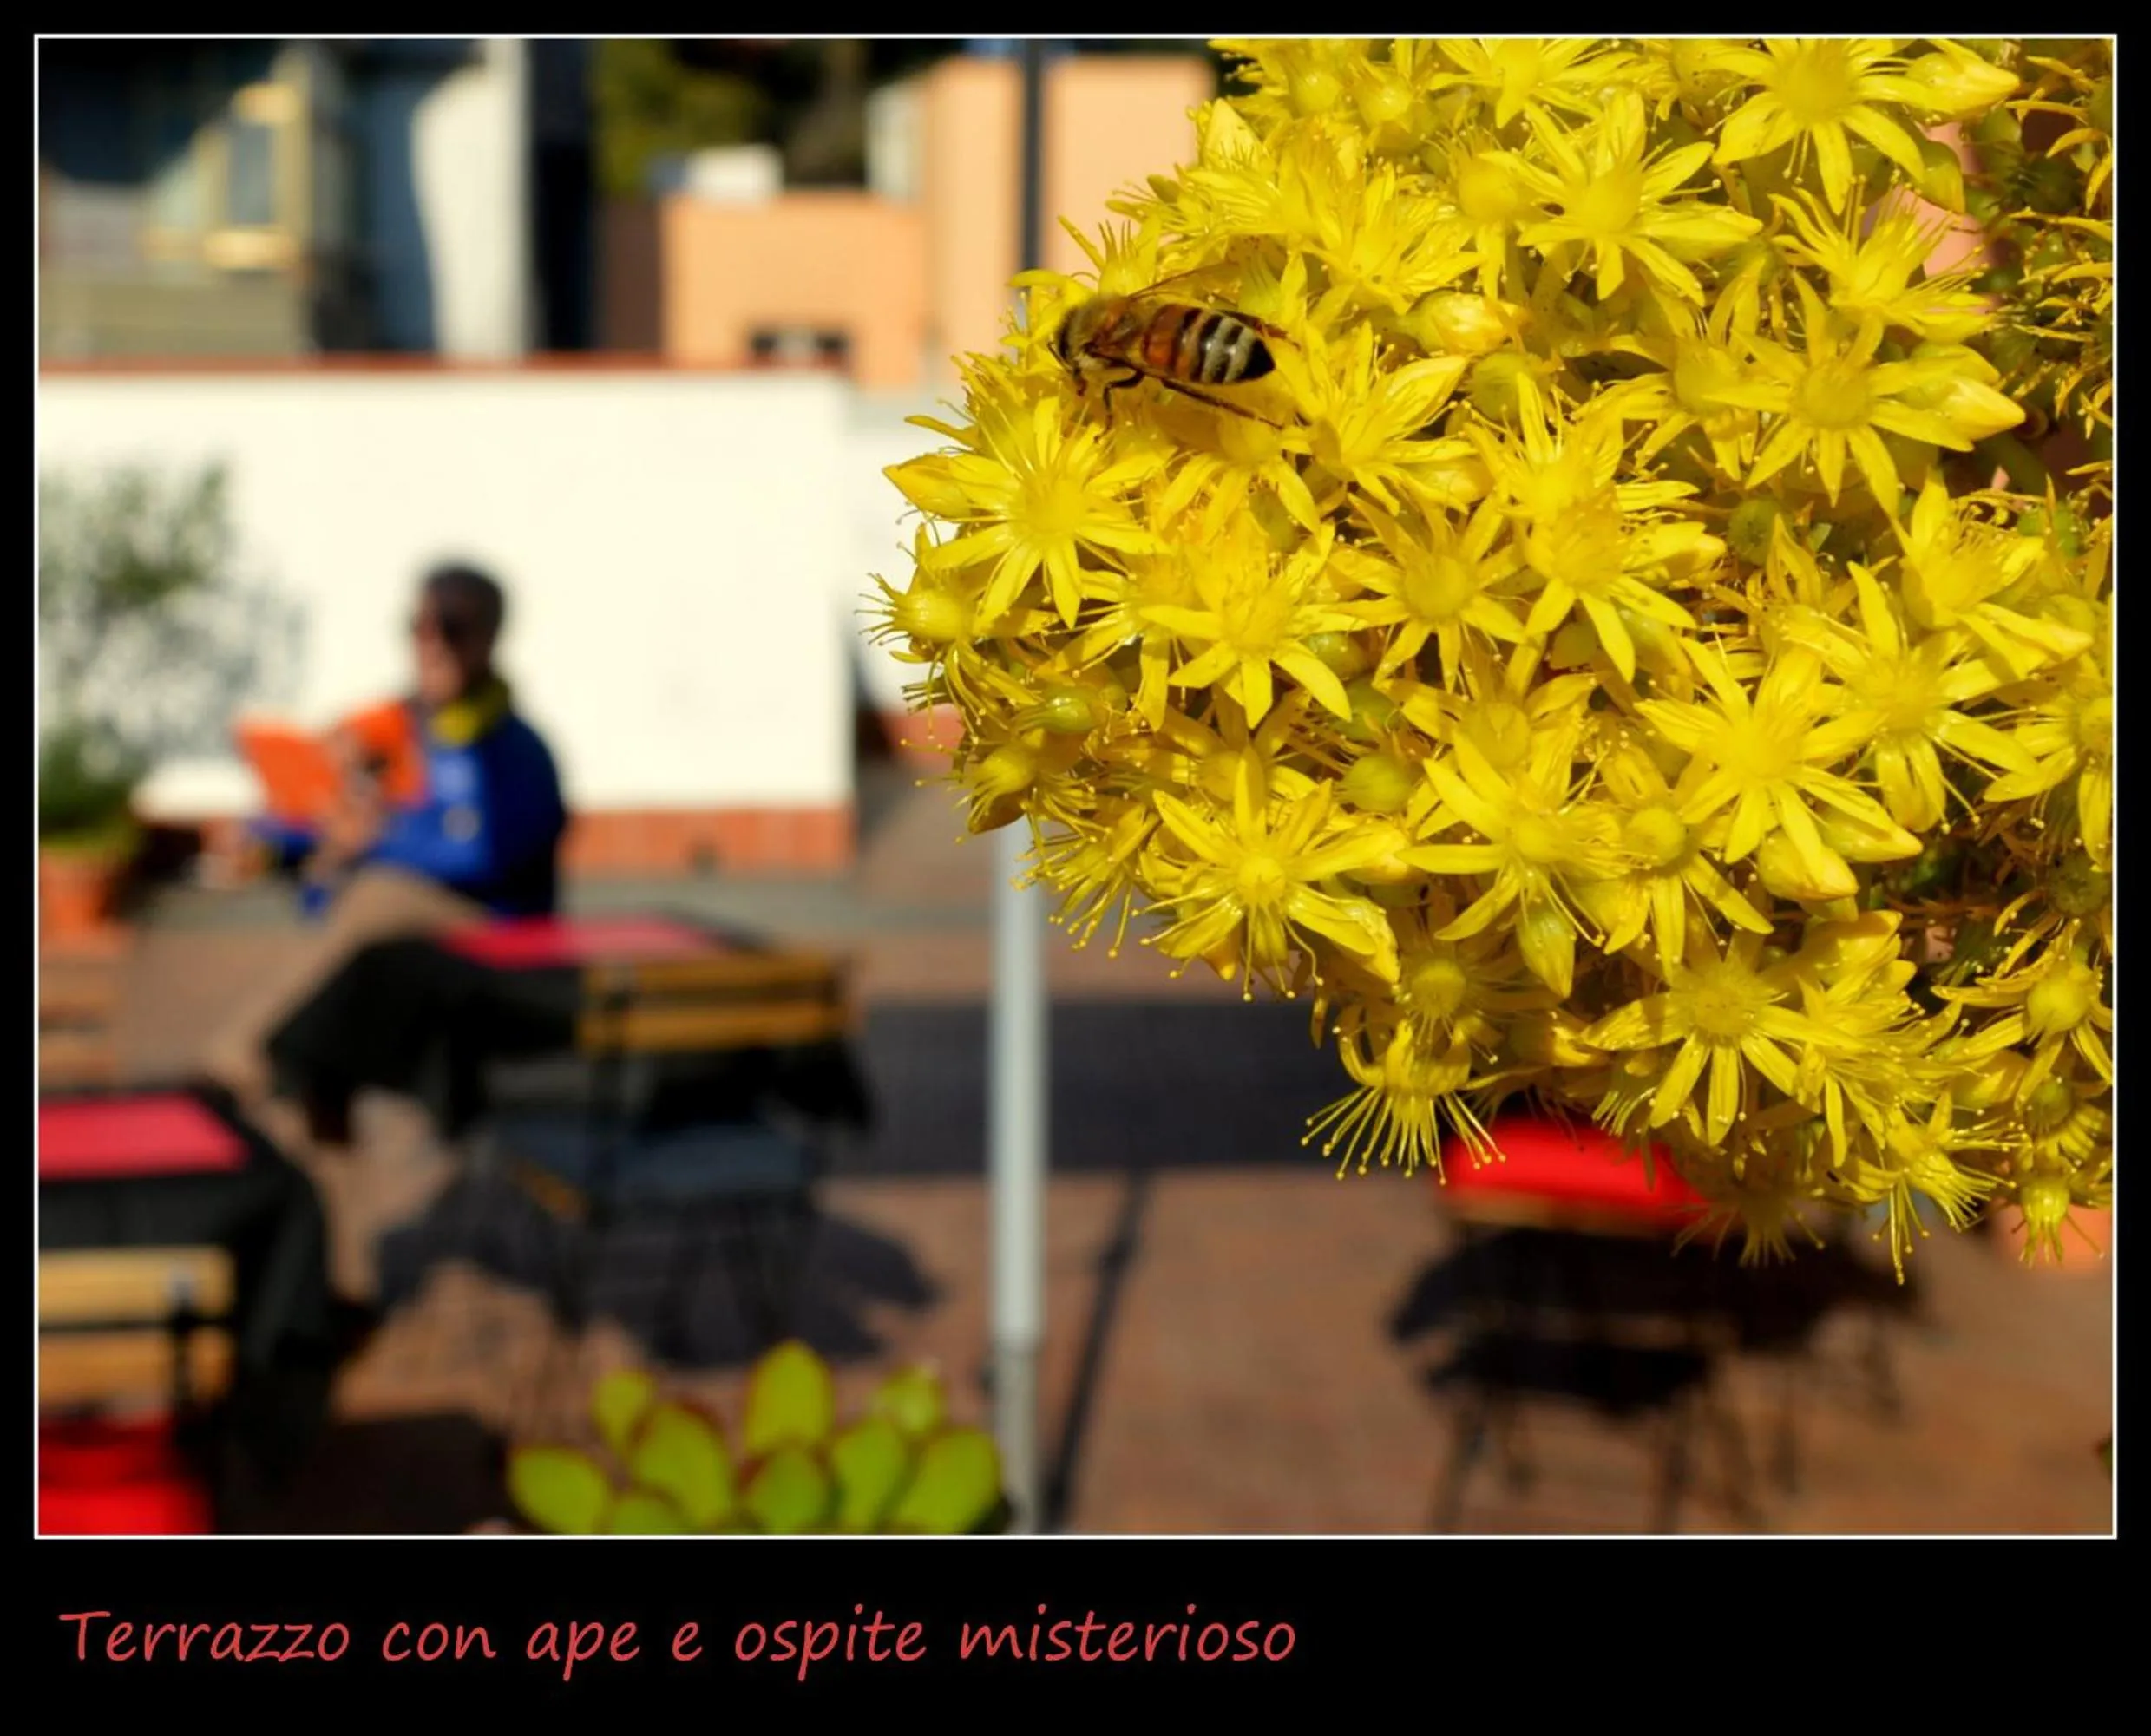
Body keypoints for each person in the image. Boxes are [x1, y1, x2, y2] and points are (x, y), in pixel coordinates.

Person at [201, 563, 568, 1112]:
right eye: (421, 626)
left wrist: (378, 837)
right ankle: (311, 1091)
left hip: (495, 941)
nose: (434, 644)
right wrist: (267, 840)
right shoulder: (391, 730)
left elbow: (485, 853)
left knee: (379, 898)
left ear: (491, 636)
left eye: (453, 627)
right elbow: (318, 803)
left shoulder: (515, 751)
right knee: (357, 901)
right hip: (396, 935)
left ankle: (245, 1053)